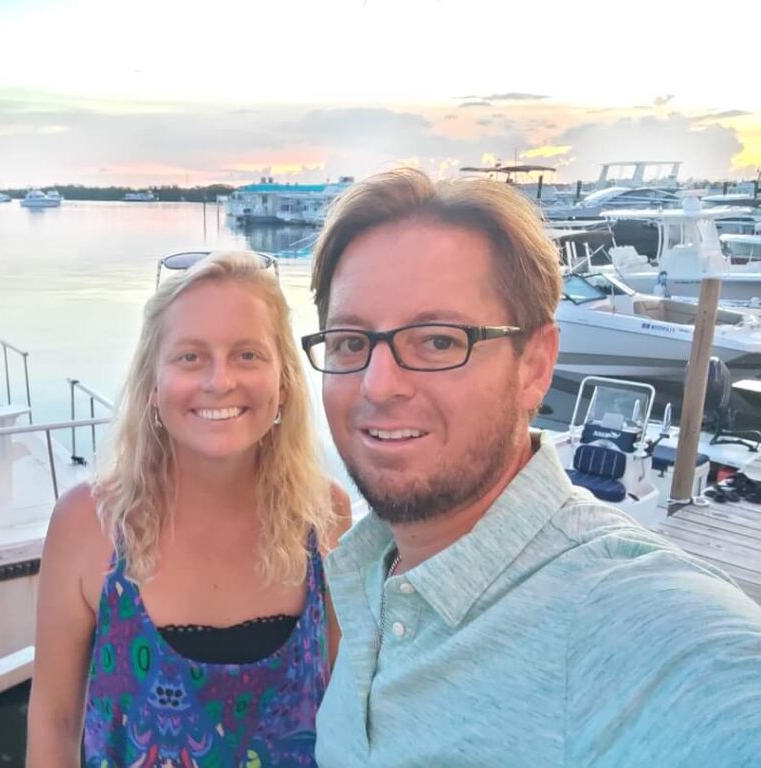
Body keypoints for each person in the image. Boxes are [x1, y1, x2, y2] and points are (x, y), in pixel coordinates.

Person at [303, 167, 761, 766]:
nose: (378, 385)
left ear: (535, 366)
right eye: (349, 342)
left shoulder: (632, 620)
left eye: (439, 341)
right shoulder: (366, 570)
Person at [27, 250, 350, 767]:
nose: (219, 381)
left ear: (285, 382)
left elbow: (342, 708)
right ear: (153, 385)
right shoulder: (90, 524)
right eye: (190, 357)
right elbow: (55, 722)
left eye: (247, 355)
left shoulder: (323, 514)